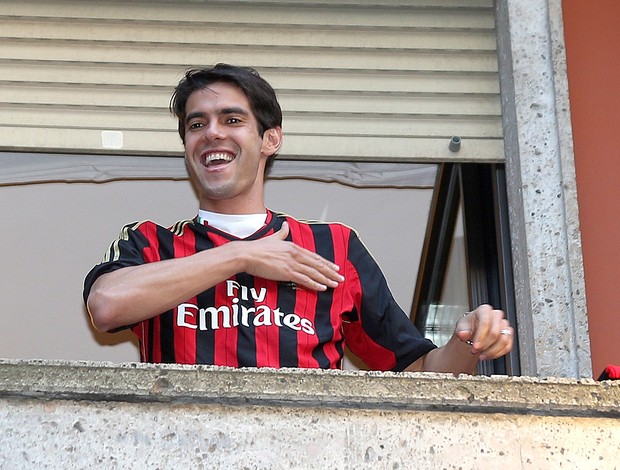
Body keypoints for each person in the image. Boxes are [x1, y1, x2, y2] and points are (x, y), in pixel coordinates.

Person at [83, 64, 513, 373]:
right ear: (187, 145)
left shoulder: (336, 247)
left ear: (270, 139)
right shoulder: (148, 242)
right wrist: (240, 257)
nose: (212, 132)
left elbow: (417, 368)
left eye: (232, 119)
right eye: (197, 124)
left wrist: (468, 341)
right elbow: (105, 306)